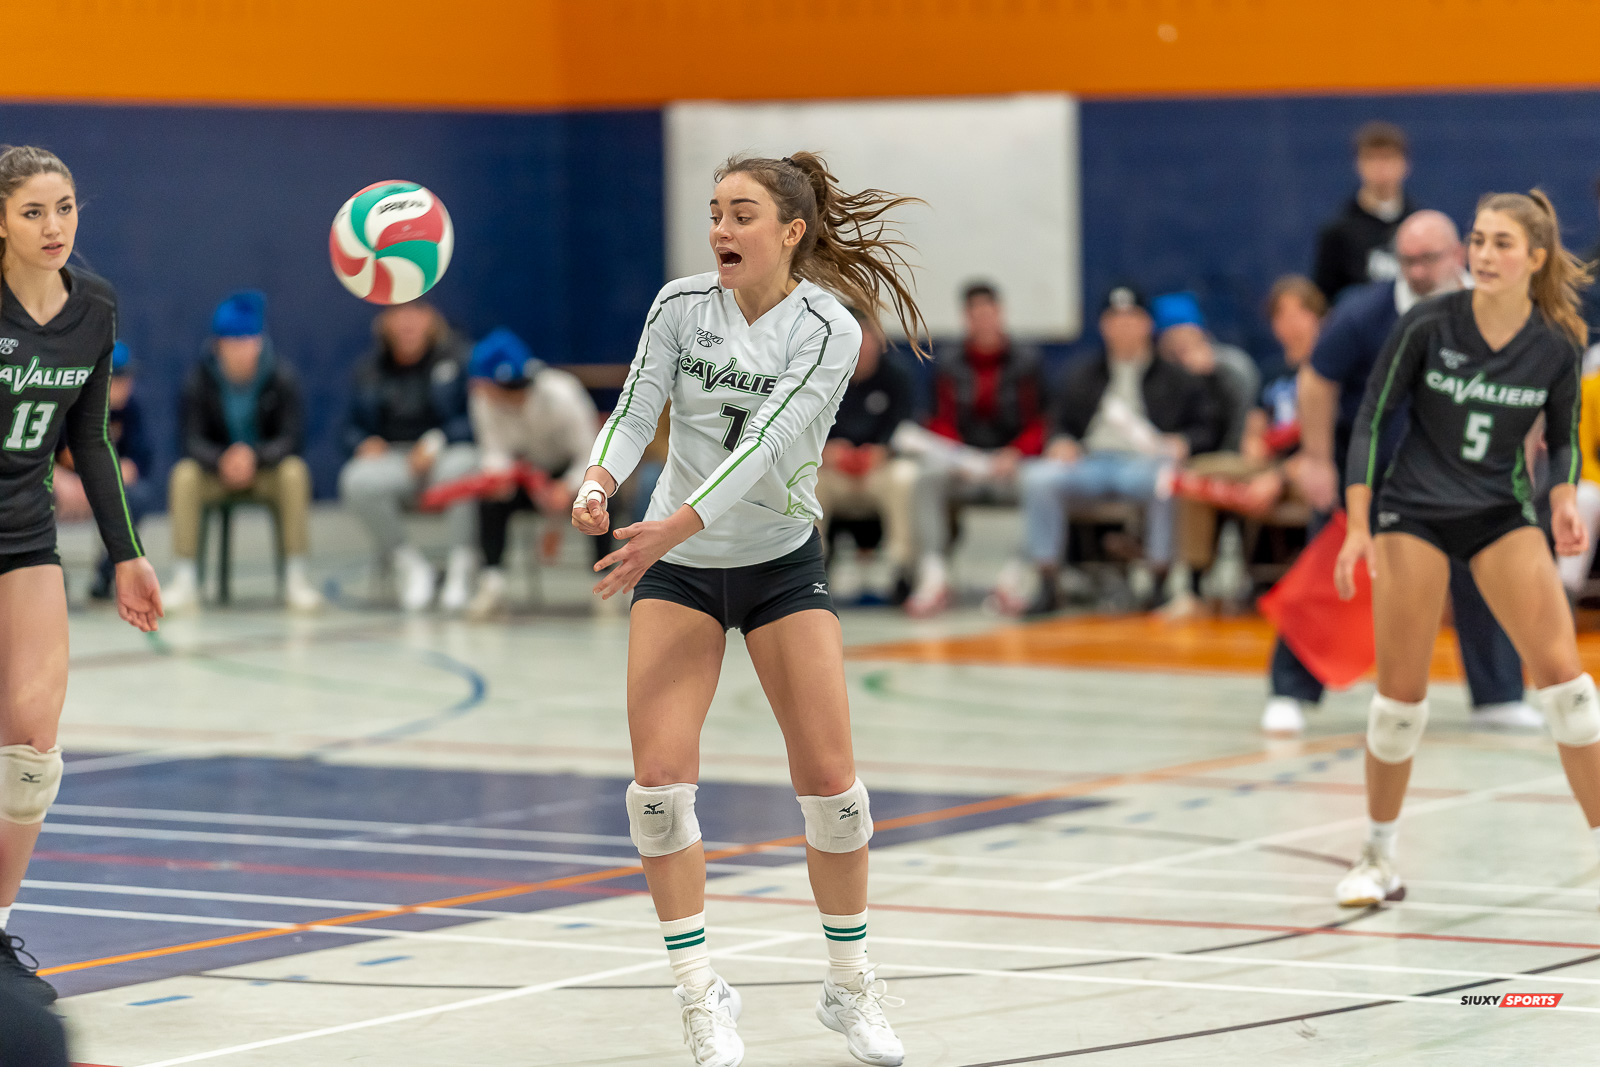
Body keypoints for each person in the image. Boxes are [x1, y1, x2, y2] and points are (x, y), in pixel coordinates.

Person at [571, 151, 921, 1067]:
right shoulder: (679, 305)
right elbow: (636, 399)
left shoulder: (829, 328)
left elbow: (771, 445)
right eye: (715, 212)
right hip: (679, 569)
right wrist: (601, 479)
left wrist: (670, 520)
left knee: (833, 792)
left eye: (742, 214)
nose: (721, 230)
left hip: (776, 563)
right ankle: (700, 993)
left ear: (791, 231)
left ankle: (849, 986)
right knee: (656, 793)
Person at [1331, 190, 1600, 908]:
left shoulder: (1555, 342)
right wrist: (1359, 524)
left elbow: (1568, 435)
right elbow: (1370, 419)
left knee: (1572, 696)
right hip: (1412, 512)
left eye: (1501, 243)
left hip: (1499, 512)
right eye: (1477, 240)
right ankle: (1377, 855)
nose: (1483, 255)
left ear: (1535, 258)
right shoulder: (1427, 323)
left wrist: (1566, 496)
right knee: (1400, 702)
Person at [1265, 210, 1537, 735]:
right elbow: (1317, 382)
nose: (1416, 271)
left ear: (1458, 255)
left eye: (1428, 259)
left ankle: (1498, 695)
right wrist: (1319, 460)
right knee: (1335, 572)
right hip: (1373, 471)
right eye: (1407, 260)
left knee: (1486, 569)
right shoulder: (1360, 315)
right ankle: (1290, 690)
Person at [0, 145, 162, 1003]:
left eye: (64, 207)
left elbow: (90, 439)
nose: (53, 226)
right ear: (0, 221)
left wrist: (127, 553)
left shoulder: (92, 306)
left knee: (32, 748)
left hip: (25, 539)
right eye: (32, 211)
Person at [1001, 285, 1216, 616]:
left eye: (1132, 319)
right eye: (1115, 319)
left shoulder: (1176, 377)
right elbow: (1059, 421)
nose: (1124, 327)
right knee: (1038, 478)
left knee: (1165, 483)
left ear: (1147, 324)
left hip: (1144, 463)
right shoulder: (1082, 374)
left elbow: (1206, 427)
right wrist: (1061, 441)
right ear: (1103, 326)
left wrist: (1182, 442)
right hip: (1092, 463)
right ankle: (1046, 579)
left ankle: (1159, 581)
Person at [1171, 276, 1327, 599]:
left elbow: (1330, 439)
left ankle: (1311, 581)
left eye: (1299, 314)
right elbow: (1254, 429)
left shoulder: (1329, 371)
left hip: (1309, 465)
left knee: (1314, 477)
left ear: (1318, 317)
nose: (1290, 325)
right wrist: (1255, 449)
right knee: (1199, 472)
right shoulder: (1271, 373)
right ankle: (1195, 582)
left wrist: (1279, 477)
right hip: (1270, 461)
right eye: (1281, 316)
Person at [165, 292, 320, 612]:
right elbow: (190, 441)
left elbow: (292, 439)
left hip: (265, 472)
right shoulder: (198, 381)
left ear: (260, 343)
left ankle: (295, 576)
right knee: (184, 475)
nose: (241, 350)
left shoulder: (282, 377)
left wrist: (255, 457)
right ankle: (185, 577)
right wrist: (221, 460)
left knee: (294, 472)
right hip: (217, 473)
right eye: (232, 342)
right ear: (218, 346)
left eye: (248, 341)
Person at [904, 282, 1047, 615]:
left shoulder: (1027, 361)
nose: (983, 320)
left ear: (1000, 314)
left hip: (1009, 464)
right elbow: (937, 419)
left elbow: (1041, 422)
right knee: (926, 477)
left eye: (989, 312)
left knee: (1041, 484)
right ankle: (934, 576)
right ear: (965, 318)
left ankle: (1015, 578)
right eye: (975, 314)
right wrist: (955, 456)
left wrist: (1016, 453)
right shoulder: (949, 363)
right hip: (963, 465)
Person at [338, 301, 477, 612]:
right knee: (355, 480)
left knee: (467, 466)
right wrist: (363, 442)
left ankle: (461, 567)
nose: (407, 323)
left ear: (431, 319)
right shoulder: (370, 368)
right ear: (385, 322)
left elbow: (476, 419)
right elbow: (348, 429)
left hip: (443, 455)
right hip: (395, 459)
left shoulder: (458, 359)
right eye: (399, 314)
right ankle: (409, 565)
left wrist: (435, 443)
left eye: (416, 313)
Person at [463, 326, 599, 619]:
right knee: (490, 499)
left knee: (603, 497)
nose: (478, 390)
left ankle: (603, 582)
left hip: (572, 470)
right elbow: (494, 449)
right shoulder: (483, 400)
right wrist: (498, 476)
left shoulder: (562, 393)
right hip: (523, 474)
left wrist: (570, 487)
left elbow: (592, 454)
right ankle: (492, 582)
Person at [816, 307, 918, 603]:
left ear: (879, 341)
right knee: (806, 481)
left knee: (906, 480)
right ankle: (811, 567)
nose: (862, 348)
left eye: (867, 339)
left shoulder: (898, 377)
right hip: (833, 471)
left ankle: (901, 568)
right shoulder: (822, 376)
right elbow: (801, 428)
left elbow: (908, 429)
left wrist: (885, 451)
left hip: (879, 471)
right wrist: (826, 451)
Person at [1313, 121, 1417, 302]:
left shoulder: (1420, 224)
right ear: (1358, 165)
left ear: (1405, 164)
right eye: (1371, 159)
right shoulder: (1338, 232)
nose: (1380, 168)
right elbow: (1324, 301)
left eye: (1388, 158)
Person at [1559, 367, 1600, 597]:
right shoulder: (1591, 386)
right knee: (1584, 498)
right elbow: (1581, 451)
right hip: (1596, 480)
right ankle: (1565, 591)